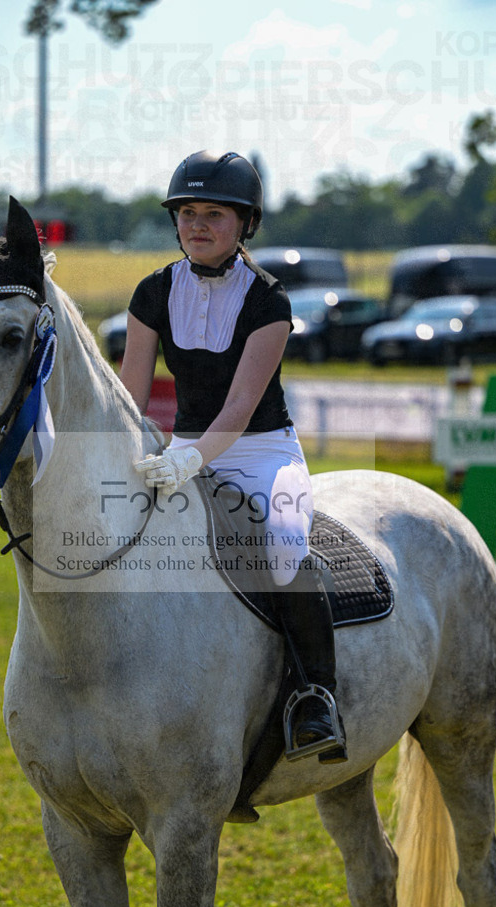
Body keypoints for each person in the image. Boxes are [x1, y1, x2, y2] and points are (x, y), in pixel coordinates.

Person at [120, 150, 347, 764]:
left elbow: (241, 410)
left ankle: (314, 698)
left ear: (245, 223)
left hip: (264, 452)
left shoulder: (269, 300)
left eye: (214, 214)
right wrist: (131, 451)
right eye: (187, 212)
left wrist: (188, 459)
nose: (197, 224)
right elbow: (129, 396)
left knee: (282, 539)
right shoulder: (152, 292)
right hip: (181, 453)